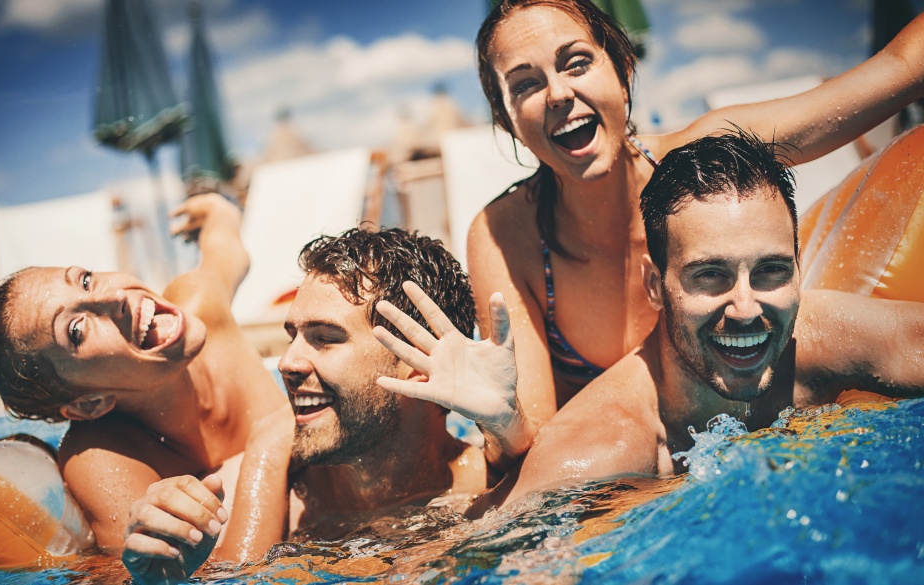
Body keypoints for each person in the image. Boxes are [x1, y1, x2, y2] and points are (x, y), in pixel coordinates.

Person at [381, 131, 924, 511]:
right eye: (709, 275)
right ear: (653, 286)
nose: (746, 308)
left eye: (771, 271)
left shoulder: (823, 340)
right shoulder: (604, 449)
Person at [468, 0, 924, 437]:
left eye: (577, 62)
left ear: (623, 72)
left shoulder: (709, 166)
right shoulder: (506, 236)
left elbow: (900, 68)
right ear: (508, 122)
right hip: (627, 482)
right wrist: (502, 424)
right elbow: (532, 436)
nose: (559, 93)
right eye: (525, 84)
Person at [121, 228, 491, 584]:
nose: (286, 363)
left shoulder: (495, 493)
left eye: (325, 338)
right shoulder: (250, 500)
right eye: (292, 336)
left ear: (419, 363)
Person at [0, 193, 292, 559]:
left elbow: (228, 250)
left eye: (86, 280)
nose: (114, 297)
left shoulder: (200, 300)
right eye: (76, 330)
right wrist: (269, 447)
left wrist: (220, 210)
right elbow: (191, 577)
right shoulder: (101, 459)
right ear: (88, 403)